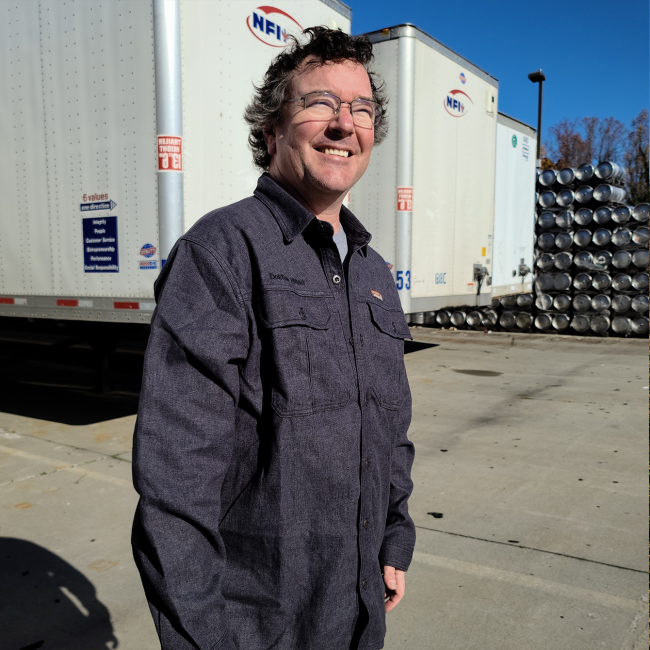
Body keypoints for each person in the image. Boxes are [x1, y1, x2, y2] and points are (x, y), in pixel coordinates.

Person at [132, 27, 415, 650]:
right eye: (320, 104)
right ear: (271, 131)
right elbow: (176, 476)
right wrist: (201, 635)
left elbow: (389, 426)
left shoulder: (372, 272)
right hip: (258, 616)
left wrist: (393, 539)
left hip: (360, 603)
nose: (344, 124)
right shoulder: (222, 251)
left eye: (361, 109)